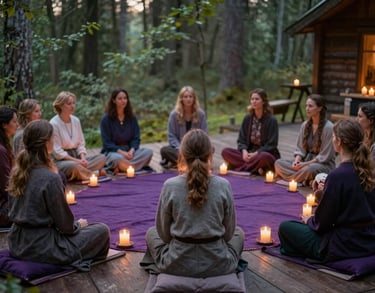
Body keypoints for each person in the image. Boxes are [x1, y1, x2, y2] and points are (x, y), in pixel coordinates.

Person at [141, 129, 244, 277]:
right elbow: (228, 235)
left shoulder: (170, 185)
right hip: (219, 263)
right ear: (210, 154)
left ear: (182, 155)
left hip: (175, 263)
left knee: (152, 233)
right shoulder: (223, 185)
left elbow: (164, 235)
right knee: (238, 233)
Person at [7, 120, 110, 267]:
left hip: (17, 243)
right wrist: (78, 225)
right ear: (46, 143)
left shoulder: (16, 173)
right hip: (42, 247)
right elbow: (66, 226)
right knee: (101, 230)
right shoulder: (50, 178)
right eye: (52, 138)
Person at [278, 119, 375, 262]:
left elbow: (323, 223)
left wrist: (310, 220)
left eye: (334, 137)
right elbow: (355, 202)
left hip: (345, 244)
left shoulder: (338, 175)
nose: (333, 139)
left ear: (339, 142)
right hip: (369, 240)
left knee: (286, 228)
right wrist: (324, 193)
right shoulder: (369, 171)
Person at [274, 94, 335, 186]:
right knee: (278, 163)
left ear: (319, 108)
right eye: (306, 106)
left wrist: (305, 164)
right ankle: (303, 180)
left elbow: (324, 156)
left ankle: (290, 179)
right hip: (305, 162)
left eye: (310, 106)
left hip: (322, 165)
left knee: (309, 170)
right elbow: (300, 149)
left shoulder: (329, 127)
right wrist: (297, 161)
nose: (307, 108)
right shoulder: (305, 125)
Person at [50, 91, 107, 181]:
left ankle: (81, 174)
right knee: (74, 166)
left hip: (77, 157)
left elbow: (81, 143)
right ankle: (95, 174)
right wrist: (77, 161)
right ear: (60, 105)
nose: (72, 106)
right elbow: (57, 153)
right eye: (69, 104)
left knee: (102, 158)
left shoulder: (76, 120)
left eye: (73, 103)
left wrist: (83, 159)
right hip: (62, 161)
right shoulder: (54, 123)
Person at [221, 88, 280, 175]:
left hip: (263, 154)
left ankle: (241, 169)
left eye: (257, 99)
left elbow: (272, 144)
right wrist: (244, 151)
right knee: (225, 152)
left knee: (265, 157)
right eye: (252, 99)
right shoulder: (248, 118)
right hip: (248, 154)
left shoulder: (272, 120)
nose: (254, 101)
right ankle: (256, 169)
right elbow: (241, 140)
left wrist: (256, 153)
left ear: (263, 101)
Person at [100, 88, 153, 173]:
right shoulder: (106, 119)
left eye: (125, 98)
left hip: (130, 151)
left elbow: (136, 138)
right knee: (116, 159)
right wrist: (122, 153)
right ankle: (133, 167)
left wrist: (131, 151)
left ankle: (124, 168)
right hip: (114, 152)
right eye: (120, 99)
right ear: (114, 100)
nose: (123, 101)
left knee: (148, 152)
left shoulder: (132, 117)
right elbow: (107, 143)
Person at [160, 86, 208, 169]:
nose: (188, 99)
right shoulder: (174, 115)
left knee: (210, 149)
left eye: (190, 96)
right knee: (164, 150)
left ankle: (183, 163)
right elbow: (171, 136)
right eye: (185, 97)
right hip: (180, 149)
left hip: (196, 149)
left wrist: (196, 148)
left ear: (194, 98)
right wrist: (181, 148)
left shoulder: (201, 114)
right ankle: (194, 163)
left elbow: (204, 134)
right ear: (181, 99)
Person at [0, 106, 18, 228]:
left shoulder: (4, 144)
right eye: (14, 121)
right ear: (4, 125)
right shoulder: (0, 150)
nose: (17, 124)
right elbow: (5, 185)